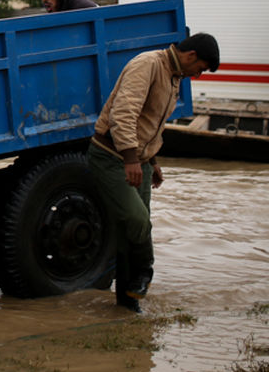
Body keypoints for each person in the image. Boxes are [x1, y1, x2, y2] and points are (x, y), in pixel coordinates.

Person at [88, 32, 220, 312]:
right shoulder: (148, 64)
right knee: (137, 220)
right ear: (191, 56)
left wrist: (152, 160)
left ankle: (127, 303)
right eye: (201, 69)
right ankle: (146, 271)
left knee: (131, 231)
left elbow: (151, 124)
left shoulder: (175, 75)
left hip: (140, 160)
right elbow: (123, 113)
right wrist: (130, 159)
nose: (198, 75)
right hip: (112, 156)